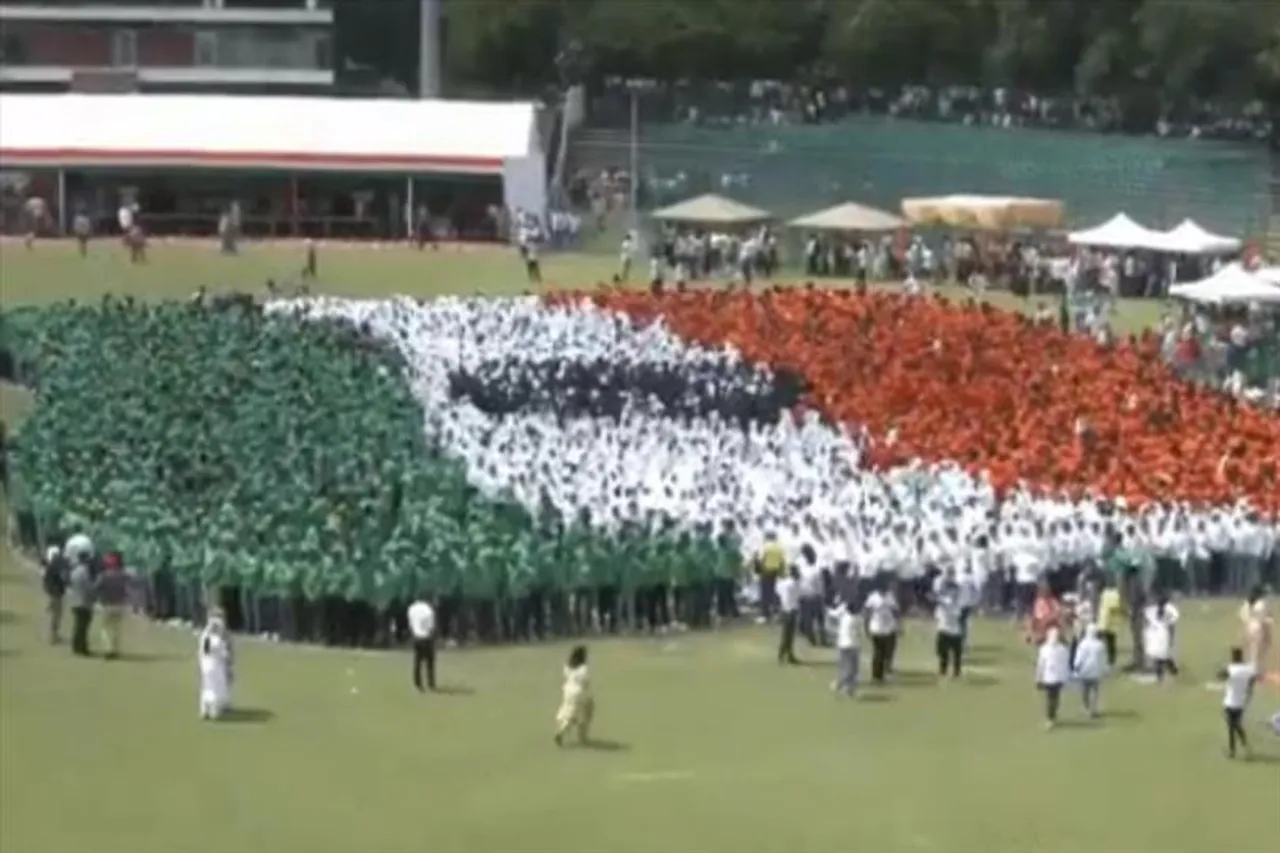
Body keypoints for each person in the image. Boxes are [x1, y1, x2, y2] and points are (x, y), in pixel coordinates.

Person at [1220, 646, 1256, 760]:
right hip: (1241, 702)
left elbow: (1220, 676)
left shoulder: (1231, 669)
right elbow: (1252, 680)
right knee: (1236, 725)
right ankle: (1244, 744)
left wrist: (1225, 667)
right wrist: (1249, 690)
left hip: (1230, 702)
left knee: (1232, 726)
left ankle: (1232, 751)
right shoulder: (1247, 669)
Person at [555, 645, 594, 746]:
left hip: (568, 691)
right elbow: (586, 681)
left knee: (570, 713)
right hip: (579, 692)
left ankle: (563, 731)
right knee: (582, 714)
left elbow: (566, 676)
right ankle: (579, 736)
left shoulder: (567, 666)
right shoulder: (583, 668)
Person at [93, 553, 131, 659]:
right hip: (120, 604)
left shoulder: (103, 575)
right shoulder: (123, 575)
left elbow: (95, 587)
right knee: (116, 628)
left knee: (105, 629)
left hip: (106, 604)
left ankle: (108, 649)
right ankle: (115, 649)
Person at [198, 610, 234, 720]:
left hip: (205, 665)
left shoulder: (205, 636)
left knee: (207, 686)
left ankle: (204, 710)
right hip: (215, 665)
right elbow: (224, 654)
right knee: (215, 688)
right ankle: (213, 711)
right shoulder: (217, 640)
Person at [1035, 628, 1071, 730]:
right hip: (1058, 677)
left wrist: (1038, 678)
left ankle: (1050, 718)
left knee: (1050, 698)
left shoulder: (1044, 649)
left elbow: (1040, 665)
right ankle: (1052, 715)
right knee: (1055, 697)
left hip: (1049, 678)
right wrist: (1066, 677)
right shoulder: (1063, 649)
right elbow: (1066, 665)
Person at [864, 580, 899, 683]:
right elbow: (867, 612)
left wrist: (898, 624)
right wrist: (866, 627)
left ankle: (884, 671)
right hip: (877, 628)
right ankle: (876, 675)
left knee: (887, 652)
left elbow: (895, 611)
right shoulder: (873, 597)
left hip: (889, 628)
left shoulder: (890, 596)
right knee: (878, 652)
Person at [1073, 624, 1108, 718]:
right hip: (1096, 671)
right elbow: (1104, 659)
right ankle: (1094, 709)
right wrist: (1105, 669)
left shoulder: (1083, 644)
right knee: (1095, 690)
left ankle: (1086, 708)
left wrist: (1076, 667)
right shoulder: (1100, 645)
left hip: (1085, 670)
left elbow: (1079, 657)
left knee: (1085, 690)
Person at [1144, 594, 1180, 682]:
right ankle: (1171, 670)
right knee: (1161, 655)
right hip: (1159, 633)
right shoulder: (1158, 610)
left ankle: (1162, 674)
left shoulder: (1165, 610)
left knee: (1160, 656)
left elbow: (1148, 620)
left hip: (1159, 633)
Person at [829, 599, 861, 697]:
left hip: (842, 644)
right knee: (852, 668)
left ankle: (844, 685)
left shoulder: (844, 617)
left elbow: (833, 615)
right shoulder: (857, 619)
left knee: (844, 666)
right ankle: (844, 685)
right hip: (852, 645)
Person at [407, 594, 437, 692]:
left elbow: (411, 623)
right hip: (427, 637)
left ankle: (418, 683)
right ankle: (430, 683)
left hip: (416, 637)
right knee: (430, 662)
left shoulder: (411, 608)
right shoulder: (428, 610)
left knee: (417, 661)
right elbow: (431, 625)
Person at [934, 581, 964, 678]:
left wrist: (944, 604)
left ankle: (956, 672)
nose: (953, 593)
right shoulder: (944, 600)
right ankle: (943, 669)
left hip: (955, 631)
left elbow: (956, 614)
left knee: (957, 654)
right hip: (943, 629)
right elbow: (938, 614)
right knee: (941, 652)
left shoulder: (958, 603)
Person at [66, 555, 94, 656]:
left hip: (74, 601)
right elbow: (88, 587)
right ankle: (82, 647)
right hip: (84, 602)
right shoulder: (84, 572)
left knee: (78, 625)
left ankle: (76, 646)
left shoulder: (74, 571)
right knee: (83, 626)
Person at [41, 545, 68, 644]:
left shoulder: (49, 567)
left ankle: (53, 634)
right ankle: (52, 636)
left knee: (54, 614)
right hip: (55, 593)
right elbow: (62, 580)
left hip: (52, 592)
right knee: (56, 615)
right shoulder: (55, 567)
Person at [776, 566, 801, 665]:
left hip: (784, 609)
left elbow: (778, 593)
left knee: (785, 634)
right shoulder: (795, 584)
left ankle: (783, 654)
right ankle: (788, 655)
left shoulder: (783, 583)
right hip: (792, 610)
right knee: (790, 635)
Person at [1096, 578, 1122, 667]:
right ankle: (1106, 659)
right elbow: (1116, 606)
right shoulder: (1109, 593)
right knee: (1107, 641)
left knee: (1110, 642)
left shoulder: (1111, 593)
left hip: (1109, 622)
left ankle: (1110, 660)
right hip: (1105, 621)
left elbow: (1114, 607)